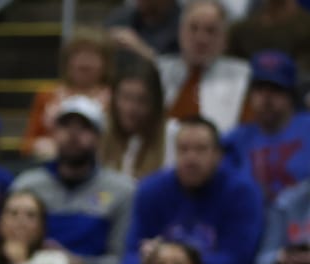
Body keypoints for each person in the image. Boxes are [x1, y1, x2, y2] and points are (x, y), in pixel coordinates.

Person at [124, 116, 264, 264]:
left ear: (218, 155)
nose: (191, 158)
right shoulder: (151, 190)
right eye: (183, 149)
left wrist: (179, 262)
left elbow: (239, 259)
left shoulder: (241, 192)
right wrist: (151, 259)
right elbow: (129, 257)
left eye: (201, 149)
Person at [9, 98, 136, 264]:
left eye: (84, 128)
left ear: (99, 137)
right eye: (66, 126)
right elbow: (10, 244)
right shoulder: (27, 185)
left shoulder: (121, 190)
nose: (73, 135)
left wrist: (77, 263)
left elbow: (121, 260)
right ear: (54, 133)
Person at [224, 52, 310, 206]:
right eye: (259, 89)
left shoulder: (306, 128)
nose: (266, 99)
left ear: (291, 95)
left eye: (275, 90)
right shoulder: (235, 140)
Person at [158, 1, 249, 132]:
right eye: (193, 28)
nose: (201, 39)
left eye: (211, 31)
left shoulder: (244, 76)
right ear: (180, 32)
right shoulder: (158, 70)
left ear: (225, 39)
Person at [21, 34, 113, 162]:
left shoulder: (116, 98)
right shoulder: (47, 95)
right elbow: (27, 144)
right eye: (78, 55)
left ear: (105, 63)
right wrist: (38, 146)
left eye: (92, 56)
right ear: (67, 61)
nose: (84, 63)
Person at [101, 60, 168, 181]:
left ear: (155, 103)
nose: (131, 109)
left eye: (141, 100)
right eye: (125, 97)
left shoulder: (171, 137)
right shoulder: (99, 132)